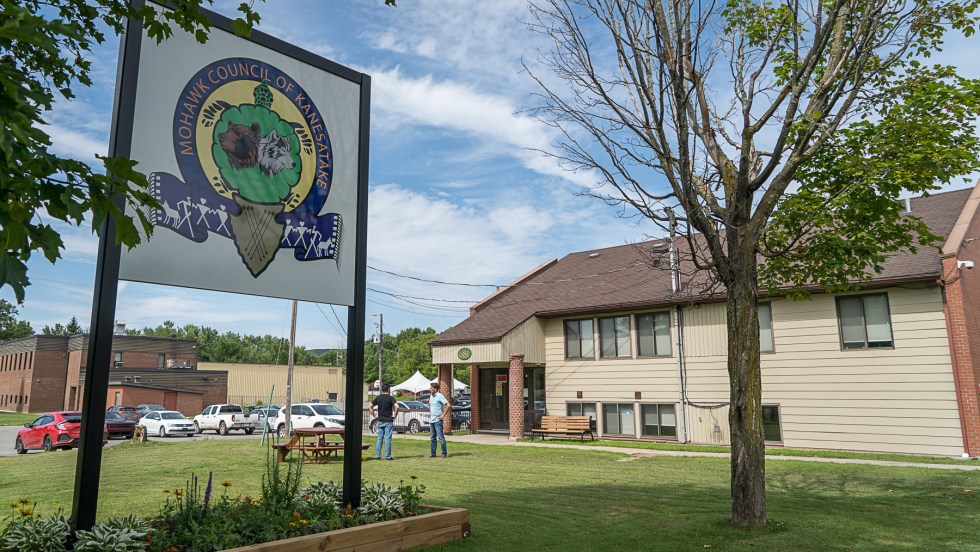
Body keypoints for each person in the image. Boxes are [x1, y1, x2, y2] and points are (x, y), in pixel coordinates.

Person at [369, 384, 399, 460]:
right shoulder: (391, 398)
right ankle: (388, 456)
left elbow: (370, 407)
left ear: (382, 390)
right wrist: (395, 415)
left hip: (380, 420)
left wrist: (375, 416)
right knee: (388, 439)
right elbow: (397, 407)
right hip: (388, 420)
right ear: (388, 389)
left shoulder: (378, 398)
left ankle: (378, 456)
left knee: (379, 438)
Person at [428, 382, 450, 458]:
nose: (430, 389)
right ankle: (433, 453)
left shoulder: (440, 396)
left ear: (435, 389)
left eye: (431, 388)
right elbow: (431, 406)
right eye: (430, 388)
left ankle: (444, 453)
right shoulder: (431, 396)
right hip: (432, 420)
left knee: (440, 437)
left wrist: (443, 415)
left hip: (438, 420)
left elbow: (448, 405)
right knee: (432, 437)